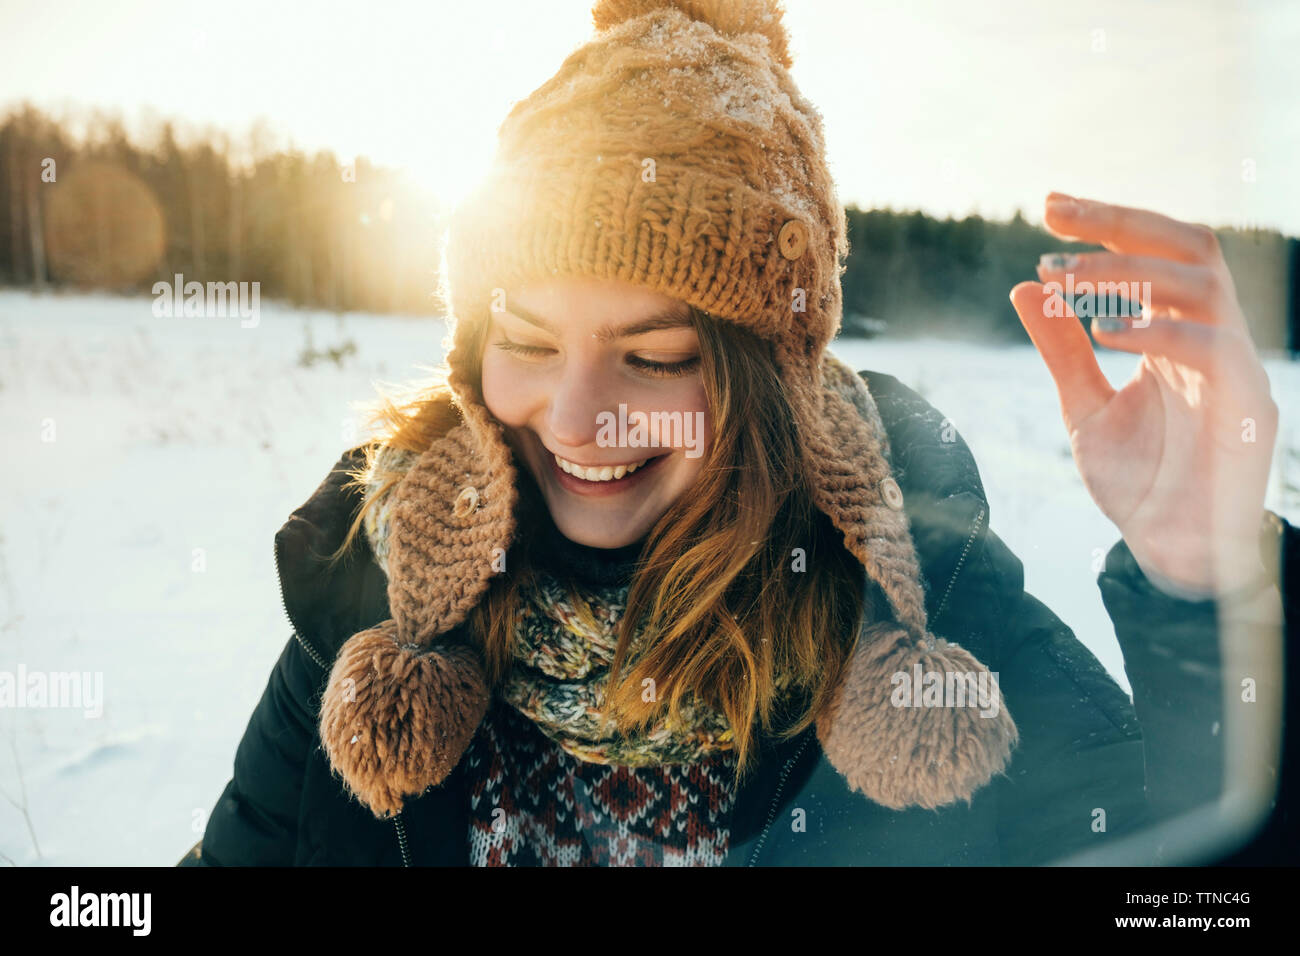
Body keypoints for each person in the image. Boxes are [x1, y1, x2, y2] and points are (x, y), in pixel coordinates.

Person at [179, 0, 1294, 867]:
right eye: (525, 338)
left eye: (656, 355)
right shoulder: (374, 610)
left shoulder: (933, 624)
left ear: (770, 383)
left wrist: (1208, 593)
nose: (575, 418)